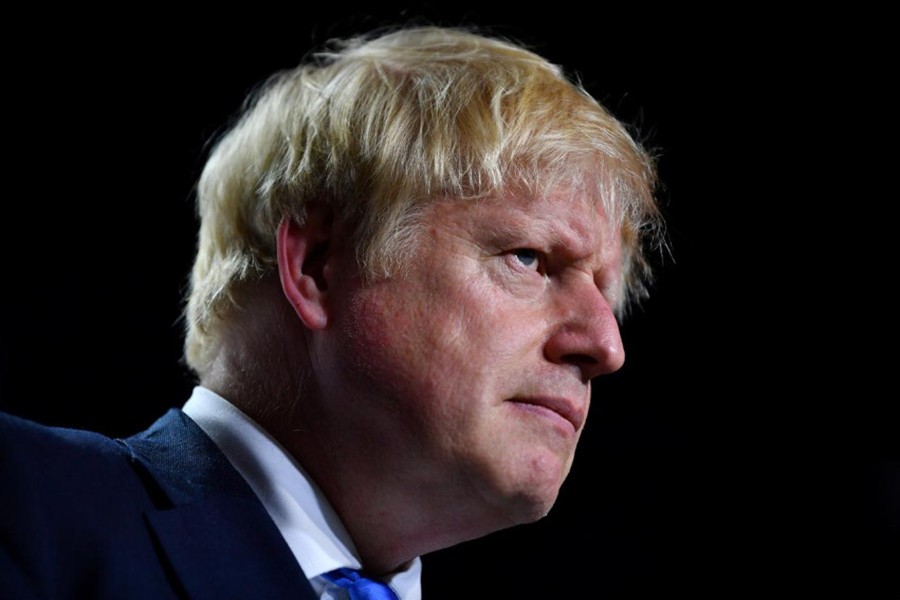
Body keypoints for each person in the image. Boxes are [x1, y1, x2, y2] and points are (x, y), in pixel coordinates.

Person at [0, 24, 664, 599]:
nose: (606, 346)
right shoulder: (23, 500)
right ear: (319, 263)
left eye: (605, 296)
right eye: (530, 259)